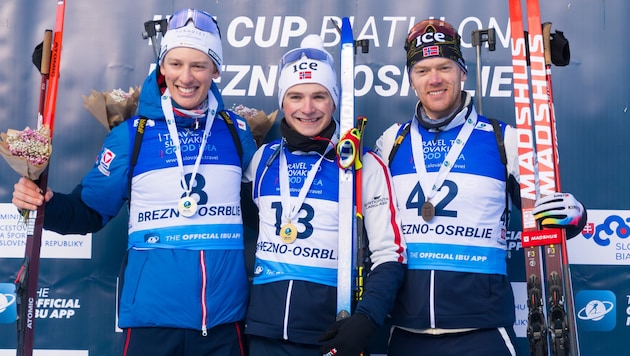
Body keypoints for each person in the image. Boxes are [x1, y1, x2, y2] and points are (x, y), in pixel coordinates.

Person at [12, 8, 257, 356]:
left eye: (199, 65)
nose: (186, 77)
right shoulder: (131, 137)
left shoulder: (237, 133)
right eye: (175, 64)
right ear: (161, 67)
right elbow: (88, 211)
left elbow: (271, 208)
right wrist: (42, 204)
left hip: (223, 325)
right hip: (151, 327)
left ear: (215, 70)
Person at [373, 19, 587, 356]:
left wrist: (573, 216)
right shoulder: (392, 142)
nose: (434, 79)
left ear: (462, 73)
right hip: (405, 330)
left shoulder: (505, 140)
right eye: (422, 70)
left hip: (480, 332)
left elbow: (547, 216)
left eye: (444, 66)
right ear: (411, 80)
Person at [242, 34, 407, 356]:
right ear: (282, 102)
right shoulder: (263, 158)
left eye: (319, 96)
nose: (307, 108)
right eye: (295, 96)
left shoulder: (364, 164)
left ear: (334, 101)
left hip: (330, 337)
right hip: (264, 334)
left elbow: (391, 255)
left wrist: (366, 319)